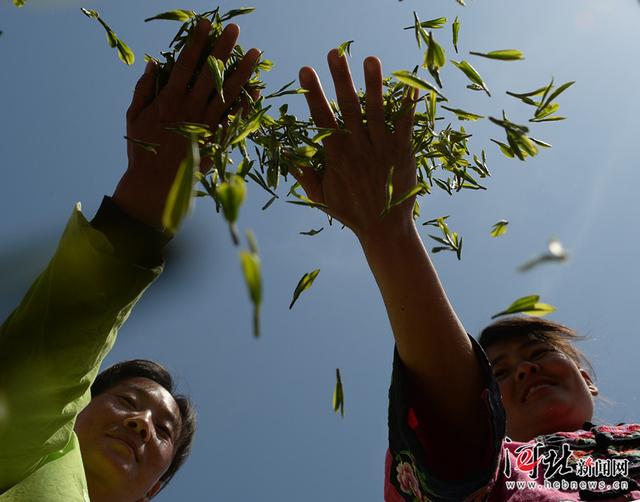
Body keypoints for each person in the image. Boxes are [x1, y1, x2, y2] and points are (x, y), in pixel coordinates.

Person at [294, 50, 640, 500]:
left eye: (537, 353)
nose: (524, 370)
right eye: (497, 371)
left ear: (586, 377)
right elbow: (454, 438)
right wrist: (387, 232)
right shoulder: (504, 467)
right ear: (488, 405)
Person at [0, 20, 260, 502]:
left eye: (163, 432)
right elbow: (48, 364)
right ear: (73, 413)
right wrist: (150, 194)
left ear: (153, 490)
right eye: (126, 402)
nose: (141, 423)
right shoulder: (31, 449)